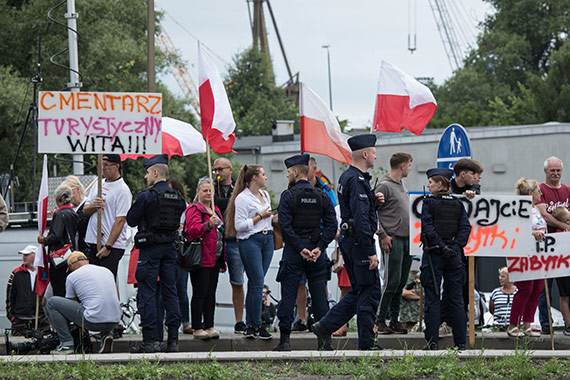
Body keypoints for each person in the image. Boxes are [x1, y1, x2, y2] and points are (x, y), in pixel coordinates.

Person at [313, 134, 385, 351]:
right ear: (365, 154)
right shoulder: (356, 179)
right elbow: (361, 218)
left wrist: (372, 201)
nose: (375, 155)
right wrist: (371, 250)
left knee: (361, 290)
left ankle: (325, 327)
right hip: (358, 242)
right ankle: (366, 342)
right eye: (373, 152)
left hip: (352, 240)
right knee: (370, 290)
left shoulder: (350, 177)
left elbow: (358, 209)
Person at [273, 154, 337, 351]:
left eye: (288, 173)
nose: (287, 176)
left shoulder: (288, 196)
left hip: (294, 253)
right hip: (317, 253)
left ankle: (284, 342)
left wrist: (301, 248)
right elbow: (332, 224)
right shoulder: (322, 194)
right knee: (320, 298)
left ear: (294, 172)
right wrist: (319, 247)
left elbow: (285, 225)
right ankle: (324, 343)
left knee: (288, 296)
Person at [126, 154, 186, 353]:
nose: (145, 177)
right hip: (170, 248)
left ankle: (150, 341)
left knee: (147, 294)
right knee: (171, 293)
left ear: (155, 172)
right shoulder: (178, 197)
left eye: (146, 173)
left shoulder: (146, 196)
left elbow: (131, 220)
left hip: (150, 249)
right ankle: (173, 342)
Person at [420, 168, 471, 350]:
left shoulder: (429, 203)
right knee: (456, 299)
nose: (428, 185)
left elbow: (428, 228)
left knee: (432, 299)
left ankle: (432, 343)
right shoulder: (458, 204)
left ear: (439, 184)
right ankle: (460, 344)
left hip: (435, 255)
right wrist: (454, 248)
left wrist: (443, 248)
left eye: (431, 182)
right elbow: (466, 228)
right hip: (454, 256)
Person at [225, 164, 275, 340]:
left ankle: (254, 324)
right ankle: (254, 324)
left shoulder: (265, 195)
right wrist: (260, 216)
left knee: (257, 282)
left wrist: (272, 218)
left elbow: (267, 220)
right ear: (254, 177)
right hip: (250, 240)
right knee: (257, 282)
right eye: (262, 174)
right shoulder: (242, 198)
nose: (265, 177)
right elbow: (239, 226)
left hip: (267, 238)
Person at [292, 156, 339, 333]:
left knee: (321, 283)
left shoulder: (325, 189)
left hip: (320, 241)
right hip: (299, 241)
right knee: (299, 282)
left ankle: (323, 320)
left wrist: (324, 241)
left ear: (314, 168)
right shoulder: (293, 188)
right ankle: (302, 319)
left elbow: (334, 215)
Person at [45, 251, 121, 354]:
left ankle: (66, 344)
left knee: (52, 302)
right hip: (115, 320)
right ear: (87, 261)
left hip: (93, 322)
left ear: (72, 266)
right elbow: (116, 297)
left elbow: (70, 303)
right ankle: (107, 335)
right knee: (102, 304)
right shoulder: (106, 271)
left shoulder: (72, 276)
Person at [375, 152, 414, 335]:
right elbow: (372, 212)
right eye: (409, 165)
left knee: (400, 282)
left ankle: (394, 319)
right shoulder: (384, 185)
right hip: (393, 238)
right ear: (402, 166)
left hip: (407, 238)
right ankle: (380, 319)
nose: (410, 168)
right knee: (391, 281)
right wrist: (383, 235)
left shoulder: (403, 185)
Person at [185, 177, 226, 340]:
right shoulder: (194, 209)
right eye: (205, 190)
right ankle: (196, 326)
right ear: (198, 192)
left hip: (215, 257)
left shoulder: (215, 209)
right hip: (200, 257)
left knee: (211, 292)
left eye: (210, 190)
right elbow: (191, 231)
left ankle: (209, 324)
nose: (208, 193)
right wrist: (208, 225)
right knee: (200, 292)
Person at [82, 154, 132, 279]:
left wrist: (108, 246)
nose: (103, 168)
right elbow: (85, 210)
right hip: (93, 241)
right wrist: (94, 206)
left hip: (110, 246)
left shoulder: (123, 190)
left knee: (107, 281)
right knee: (93, 282)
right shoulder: (98, 184)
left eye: (107, 165)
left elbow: (120, 220)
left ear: (116, 166)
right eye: (101, 165)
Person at [507, 179, 545, 337]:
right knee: (525, 288)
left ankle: (527, 323)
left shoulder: (536, 209)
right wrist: (532, 234)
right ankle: (513, 324)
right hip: (523, 254)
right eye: (538, 191)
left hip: (539, 254)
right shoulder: (519, 209)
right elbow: (513, 231)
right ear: (530, 193)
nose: (540, 194)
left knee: (537, 288)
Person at [536, 157, 570, 334]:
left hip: (565, 249)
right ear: (546, 171)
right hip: (545, 246)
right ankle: (545, 323)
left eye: (558, 171)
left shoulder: (567, 190)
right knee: (544, 289)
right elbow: (544, 215)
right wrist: (565, 226)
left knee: (566, 290)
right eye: (552, 171)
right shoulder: (540, 190)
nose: (555, 174)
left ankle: (568, 324)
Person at [213, 158, 246, 334]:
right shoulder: (211, 188)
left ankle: (239, 320)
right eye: (215, 170)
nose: (218, 173)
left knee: (237, 281)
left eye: (221, 169)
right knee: (209, 281)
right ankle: (207, 320)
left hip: (234, 239)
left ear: (230, 170)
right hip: (216, 239)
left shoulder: (239, 189)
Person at [37, 184, 79, 297]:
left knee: (59, 289)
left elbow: (56, 235)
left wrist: (43, 240)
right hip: (70, 255)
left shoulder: (59, 214)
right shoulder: (73, 213)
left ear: (57, 199)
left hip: (59, 258)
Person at [6, 245, 49, 335]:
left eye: (27, 254)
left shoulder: (45, 273)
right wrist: (12, 316)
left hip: (40, 317)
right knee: (17, 345)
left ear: (35, 256)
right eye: (23, 255)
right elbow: (10, 295)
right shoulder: (17, 273)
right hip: (20, 318)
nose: (24, 257)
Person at [63, 175, 89, 253]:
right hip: (72, 251)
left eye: (69, 192)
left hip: (85, 249)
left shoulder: (87, 206)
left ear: (78, 189)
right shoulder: (69, 209)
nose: (67, 196)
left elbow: (81, 224)